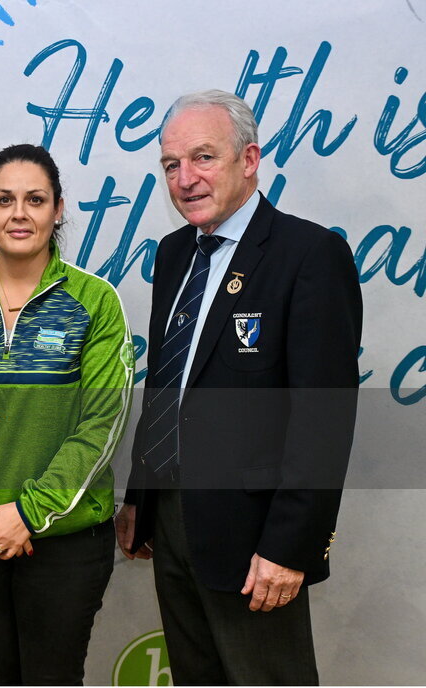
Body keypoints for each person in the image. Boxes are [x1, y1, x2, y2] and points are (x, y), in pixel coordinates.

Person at [115, 90, 362, 685]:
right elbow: (173, 384)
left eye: (202, 158)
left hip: (256, 541)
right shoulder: (175, 254)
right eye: (171, 164)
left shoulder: (311, 255)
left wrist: (289, 547)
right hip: (173, 522)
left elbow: (322, 423)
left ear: (249, 159)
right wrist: (140, 499)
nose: (185, 179)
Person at [0, 144, 135, 685]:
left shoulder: (96, 302)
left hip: (66, 540)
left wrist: (30, 512)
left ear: (57, 209)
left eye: (35, 199)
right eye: (4, 199)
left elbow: (101, 426)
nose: (19, 213)